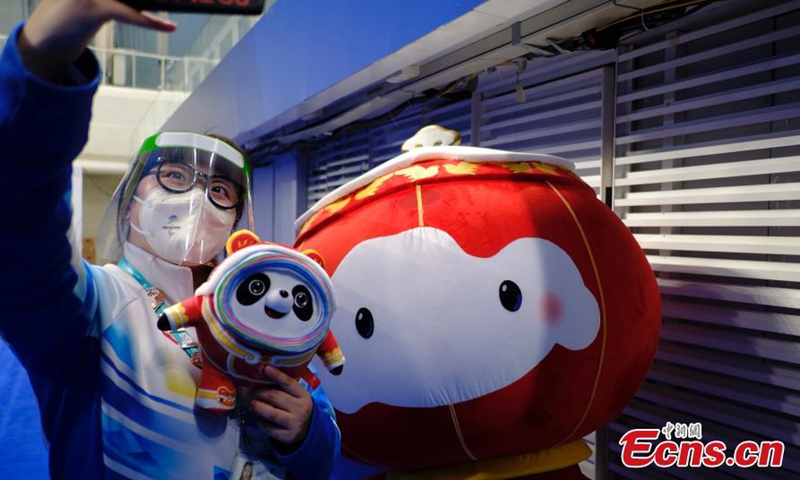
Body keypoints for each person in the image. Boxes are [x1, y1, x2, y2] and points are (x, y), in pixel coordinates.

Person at [0, 1, 340, 479]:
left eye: (220, 190)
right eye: (175, 177)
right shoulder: (96, 303)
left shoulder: (264, 308)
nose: (198, 198)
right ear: (130, 202)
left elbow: (324, 455)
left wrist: (306, 432)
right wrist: (45, 62)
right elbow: (19, 219)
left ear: (236, 221)